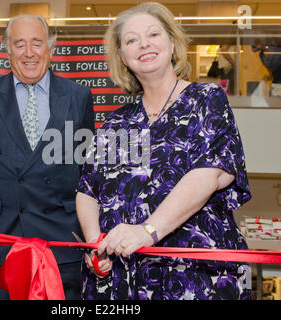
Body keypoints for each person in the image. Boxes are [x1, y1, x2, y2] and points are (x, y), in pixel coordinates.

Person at [76, 2, 251, 300]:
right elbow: (88, 190)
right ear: (122, 56)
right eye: (131, 40)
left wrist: (146, 231)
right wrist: (96, 244)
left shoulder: (206, 100)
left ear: (172, 42)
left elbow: (209, 175)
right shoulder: (118, 121)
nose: (143, 44)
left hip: (196, 277)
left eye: (153, 34)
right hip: (122, 282)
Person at [0, 14, 94, 299]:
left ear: (50, 47)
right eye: (19, 44)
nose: (29, 52)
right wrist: (9, 194)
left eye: (36, 42)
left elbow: (85, 165)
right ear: (8, 51)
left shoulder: (79, 96)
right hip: (0, 240)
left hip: (60, 242)